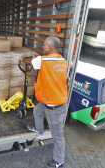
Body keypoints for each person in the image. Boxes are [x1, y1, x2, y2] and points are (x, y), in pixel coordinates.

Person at [19, 36, 68, 168]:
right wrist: (37, 58)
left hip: (55, 106)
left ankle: (59, 161)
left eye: (45, 46)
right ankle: (39, 129)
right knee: (37, 110)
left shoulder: (43, 60)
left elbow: (30, 62)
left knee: (57, 136)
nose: (43, 47)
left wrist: (23, 59)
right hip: (52, 99)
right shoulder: (63, 61)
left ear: (50, 48)